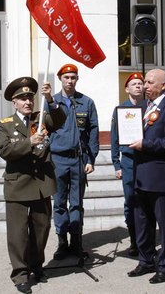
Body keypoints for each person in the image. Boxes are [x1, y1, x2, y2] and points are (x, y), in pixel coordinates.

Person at [0, 77, 66, 294]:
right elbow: (4, 150)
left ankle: (37, 266)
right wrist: (30, 143)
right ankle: (20, 274)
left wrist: (50, 99)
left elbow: (60, 120)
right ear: (14, 102)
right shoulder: (5, 124)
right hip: (17, 184)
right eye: (22, 98)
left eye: (30, 97)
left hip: (41, 184)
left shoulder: (42, 117)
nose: (28, 101)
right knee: (18, 234)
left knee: (41, 230)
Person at [127, 69, 165, 284]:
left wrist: (146, 144)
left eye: (150, 82)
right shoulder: (141, 107)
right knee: (142, 222)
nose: (145, 86)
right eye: (144, 82)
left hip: (163, 177)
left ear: (163, 85)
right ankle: (146, 260)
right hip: (141, 174)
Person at [49, 63, 99, 259]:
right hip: (58, 159)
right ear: (60, 78)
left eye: (73, 77)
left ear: (77, 80)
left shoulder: (86, 102)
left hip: (78, 159)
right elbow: (46, 128)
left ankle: (76, 241)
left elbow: (93, 130)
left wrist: (91, 158)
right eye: (66, 77)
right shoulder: (51, 102)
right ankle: (62, 242)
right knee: (60, 202)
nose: (70, 81)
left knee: (77, 203)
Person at [110, 72, 144, 256]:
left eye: (140, 83)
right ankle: (134, 241)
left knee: (146, 200)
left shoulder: (150, 108)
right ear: (127, 89)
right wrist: (116, 164)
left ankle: (145, 238)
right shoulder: (120, 110)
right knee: (130, 200)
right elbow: (114, 137)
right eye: (134, 84)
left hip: (146, 160)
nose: (138, 86)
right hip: (129, 161)